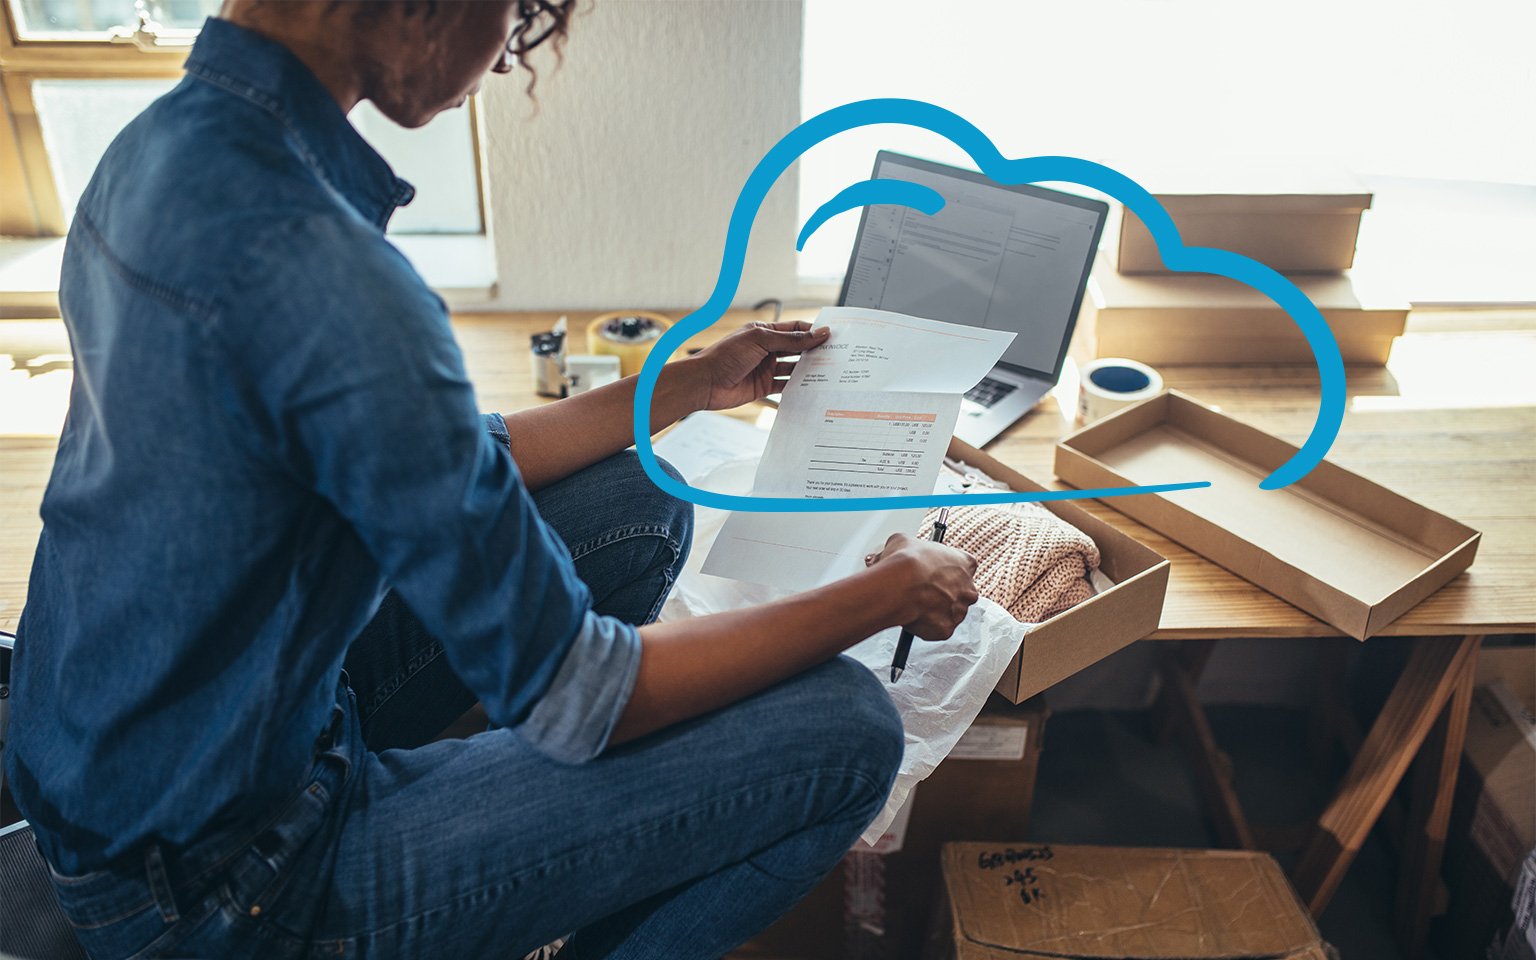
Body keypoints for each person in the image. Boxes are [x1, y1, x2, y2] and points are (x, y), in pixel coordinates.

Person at [2, 2, 980, 958]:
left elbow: (441, 455)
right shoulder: (324, 270)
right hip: (233, 890)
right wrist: (885, 592)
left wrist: (678, 388)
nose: (509, 54)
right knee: (850, 730)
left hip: (157, 768)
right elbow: (586, 693)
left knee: (637, 503)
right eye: (516, 15)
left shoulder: (161, 149)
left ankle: (511, 859)